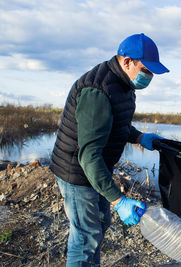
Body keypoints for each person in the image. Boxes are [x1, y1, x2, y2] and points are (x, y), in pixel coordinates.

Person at [49, 33, 169, 266]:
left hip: (94, 169)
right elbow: (89, 156)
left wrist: (139, 137)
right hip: (77, 172)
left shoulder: (122, 84)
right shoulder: (97, 90)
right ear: (127, 61)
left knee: (101, 223)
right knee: (85, 236)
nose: (149, 77)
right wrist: (119, 200)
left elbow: (115, 123)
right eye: (146, 70)